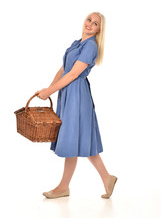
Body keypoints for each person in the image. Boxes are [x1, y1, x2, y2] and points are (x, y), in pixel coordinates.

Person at [35, 12, 118, 199]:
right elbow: (64, 69)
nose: (90, 24)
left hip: (77, 95)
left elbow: (73, 75)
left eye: (95, 23)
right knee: (78, 139)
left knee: (72, 138)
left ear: (99, 30)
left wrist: (50, 92)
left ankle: (63, 188)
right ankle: (106, 178)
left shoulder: (90, 46)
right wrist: (49, 88)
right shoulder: (77, 43)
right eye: (89, 19)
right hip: (68, 93)